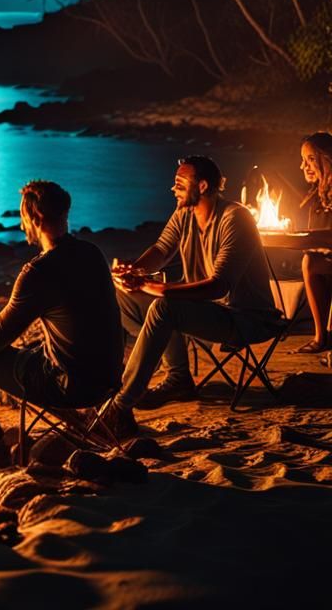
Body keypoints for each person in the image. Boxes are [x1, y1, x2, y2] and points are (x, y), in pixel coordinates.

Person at [0, 180, 123, 467]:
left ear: (34, 218)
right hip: (107, 380)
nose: (21, 225)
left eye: (23, 217)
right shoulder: (92, 253)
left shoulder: (39, 271)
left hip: (68, 386)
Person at [106, 156, 281, 437]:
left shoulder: (235, 218)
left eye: (179, 183)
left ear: (202, 185)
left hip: (243, 317)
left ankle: (120, 405)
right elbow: (161, 250)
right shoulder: (184, 214)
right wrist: (135, 273)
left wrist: (155, 287)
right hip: (200, 311)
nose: (172, 189)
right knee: (121, 296)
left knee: (165, 307)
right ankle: (178, 376)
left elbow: (218, 286)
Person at [294, 131, 332, 354]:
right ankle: (323, 336)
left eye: (309, 159)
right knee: (312, 260)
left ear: (326, 159)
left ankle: (321, 337)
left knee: (310, 262)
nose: (303, 166)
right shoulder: (318, 193)